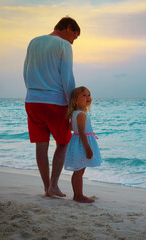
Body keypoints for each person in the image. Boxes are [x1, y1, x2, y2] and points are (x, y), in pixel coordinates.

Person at [23, 17, 80, 197]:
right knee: (63, 143)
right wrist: (73, 107)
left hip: (32, 100)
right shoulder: (64, 46)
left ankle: (46, 186)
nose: (73, 41)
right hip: (55, 101)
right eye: (75, 36)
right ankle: (53, 185)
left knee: (41, 144)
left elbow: (26, 71)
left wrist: (33, 92)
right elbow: (67, 78)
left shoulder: (34, 42)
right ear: (68, 27)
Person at [65, 86, 102, 203]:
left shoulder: (76, 113)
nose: (88, 97)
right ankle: (78, 196)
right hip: (82, 144)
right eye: (84, 95)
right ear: (75, 100)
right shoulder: (81, 114)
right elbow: (81, 131)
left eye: (89, 95)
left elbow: (71, 127)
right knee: (79, 171)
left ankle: (77, 195)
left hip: (77, 142)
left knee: (78, 171)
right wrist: (88, 148)